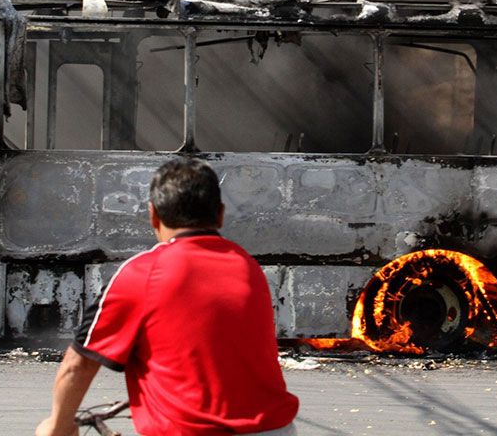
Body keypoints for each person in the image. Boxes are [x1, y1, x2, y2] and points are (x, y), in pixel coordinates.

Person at [36, 157, 300, 436]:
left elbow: (78, 364)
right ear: (220, 215)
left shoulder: (143, 272)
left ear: (153, 215)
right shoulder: (248, 266)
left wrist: (59, 424)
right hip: (276, 428)